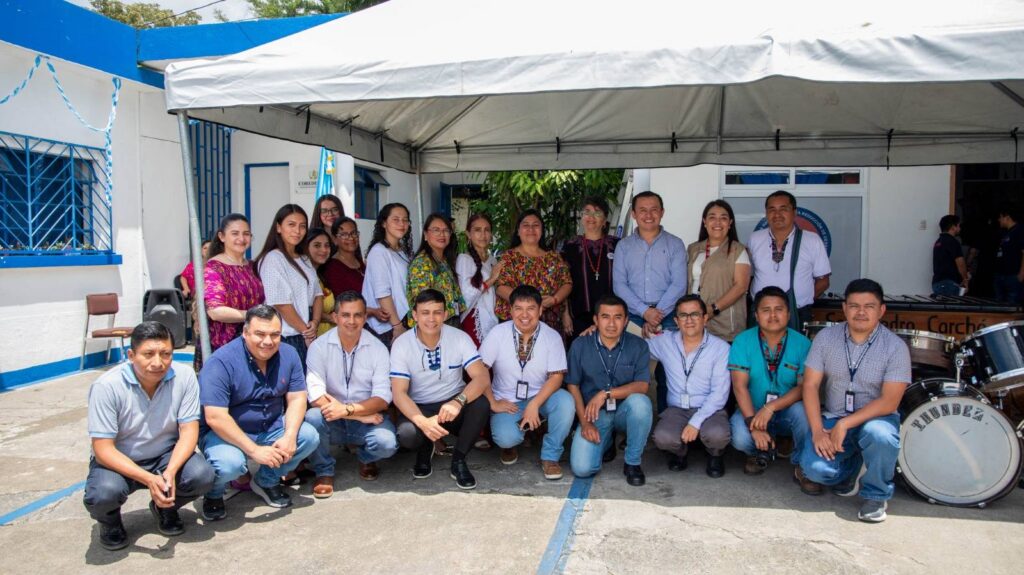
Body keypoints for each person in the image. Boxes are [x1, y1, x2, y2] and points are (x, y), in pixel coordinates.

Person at [83, 322, 215, 551]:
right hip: (120, 459)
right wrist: (148, 478)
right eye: (148, 354)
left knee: (202, 475)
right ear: (131, 355)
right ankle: (110, 523)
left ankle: (165, 507)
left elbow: (189, 431)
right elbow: (103, 449)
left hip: (164, 456)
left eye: (166, 354)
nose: (158, 362)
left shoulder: (184, 376)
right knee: (103, 494)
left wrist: (170, 472)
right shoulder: (107, 386)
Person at [795, 279, 911, 523]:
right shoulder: (826, 338)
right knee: (816, 471)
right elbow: (810, 385)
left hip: (875, 418)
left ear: (881, 310)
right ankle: (854, 468)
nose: (861, 312)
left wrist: (845, 424)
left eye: (869, 306)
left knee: (880, 436)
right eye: (854, 305)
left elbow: (890, 401)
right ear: (844, 308)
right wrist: (817, 431)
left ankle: (875, 495)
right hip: (833, 416)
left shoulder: (895, 347)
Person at [198, 305, 320, 520]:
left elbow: (297, 397)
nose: (268, 341)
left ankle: (266, 481)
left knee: (308, 436)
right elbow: (215, 417)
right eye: (260, 334)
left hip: (271, 427)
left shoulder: (289, 354)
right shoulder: (220, 362)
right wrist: (254, 451)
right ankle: (214, 494)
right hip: (227, 434)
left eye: (275, 334)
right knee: (230, 465)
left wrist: (290, 436)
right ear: (245, 333)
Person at [391, 289, 492, 489]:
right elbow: (399, 393)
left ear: (445, 314)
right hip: (420, 406)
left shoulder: (459, 337)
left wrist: (458, 401)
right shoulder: (402, 344)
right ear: (414, 315)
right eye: (425, 312)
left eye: (437, 312)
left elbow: (481, 377)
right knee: (408, 434)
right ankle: (425, 447)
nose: (431, 318)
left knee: (481, 405)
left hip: (451, 403)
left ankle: (459, 459)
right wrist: (422, 422)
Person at [303, 291, 398, 497]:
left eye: (358, 315)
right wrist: (355, 414)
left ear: (365, 317)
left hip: (365, 419)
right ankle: (324, 470)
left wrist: (346, 410)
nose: (352, 321)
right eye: (346, 315)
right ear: (336, 317)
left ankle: (366, 459)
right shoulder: (319, 347)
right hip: (339, 418)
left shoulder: (378, 349)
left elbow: (382, 399)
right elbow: (316, 397)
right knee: (312, 418)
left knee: (387, 443)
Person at [480, 285, 574, 480]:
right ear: (511, 310)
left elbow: (557, 376)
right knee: (506, 438)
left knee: (565, 402)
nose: (524, 315)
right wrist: (492, 402)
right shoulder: (498, 333)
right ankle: (511, 445)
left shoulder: (551, 336)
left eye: (530, 308)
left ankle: (550, 456)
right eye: (518, 308)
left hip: (541, 397)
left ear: (540, 310)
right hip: (507, 400)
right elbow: (480, 371)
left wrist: (535, 404)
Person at [567, 294, 652, 486]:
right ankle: (606, 442)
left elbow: (642, 386)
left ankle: (632, 462)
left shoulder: (638, 345)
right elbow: (572, 385)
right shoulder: (580, 345)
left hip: (624, 411)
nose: (611, 323)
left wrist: (606, 394)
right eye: (605, 317)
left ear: (626, 320)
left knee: (641, 403)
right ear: (596, 320)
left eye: (618, 317)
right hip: (596, 415)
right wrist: (585, 423)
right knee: (582, 468)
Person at [728, 286, 812, 476]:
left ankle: (802, 464)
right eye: (766, 310)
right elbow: (739, 386)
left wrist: (771, 407)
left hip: (786, 410)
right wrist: (753, 424)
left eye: (779, 309)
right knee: (740, 437)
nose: (772, 315)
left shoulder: (803, 344)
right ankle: (757, 451)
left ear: (789, 314)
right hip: (753, 409)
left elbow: (804, 387)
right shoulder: (743, 341)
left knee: (804, 414)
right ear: (756, 315)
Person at [649, 295, 731, 478]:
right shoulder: (664, 342)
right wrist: (598, 330)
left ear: (705, 318)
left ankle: (715, 454)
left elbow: (720, 393)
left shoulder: (721, 348)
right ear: (676, 321)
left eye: (694, 314)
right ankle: (680, 453)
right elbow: (635, 347)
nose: (689, 320)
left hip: (710, 408)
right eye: (683, 315)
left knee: (718, 435)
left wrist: (695, 422)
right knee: (663, 437)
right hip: (677, 408)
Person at [748, 191, 831, 331]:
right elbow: (747, 276)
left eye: (783, 209)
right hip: (762, 314)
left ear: (795, 212)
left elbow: (823, 281)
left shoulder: (812, 240)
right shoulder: (754, 239)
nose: (777, 214)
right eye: (772, 209)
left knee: (796, 351)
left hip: (797, 313)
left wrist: (801, 300)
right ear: (766, 213)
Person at [194, 214, 265, 371]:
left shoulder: (252, 266)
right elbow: (215, 311)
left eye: (246, 234)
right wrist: (253, 315)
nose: (241, 238)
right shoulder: (214, 268)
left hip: (254, 342)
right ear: (222, 236)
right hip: (224, 346)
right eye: (235, 233)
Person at [255, 204, 323, 366]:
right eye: (291, 225)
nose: (297, 231)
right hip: (286, 336)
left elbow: (318, 294)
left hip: (305, 333)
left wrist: (315, 322)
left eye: (302, 226)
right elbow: (281, 304)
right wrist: (306, 332)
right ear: (278, 227)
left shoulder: (304, 259)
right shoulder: (273, 259)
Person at [612, 191, 687, 338]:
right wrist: (645, 311)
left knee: (668, 359)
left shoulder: (676, 244)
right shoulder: (623, 246)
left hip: (668, 314)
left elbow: (679, 284)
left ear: (662, 212)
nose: (648, 215)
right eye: (642, 210)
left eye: (654, 210)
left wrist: (656, 314)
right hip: (633, 315)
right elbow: (619, 285)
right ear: (633, 214)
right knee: (634, 359)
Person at [494, 210, 572, 335]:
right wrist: (529, 305)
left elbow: (566, 283)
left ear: (542, 230)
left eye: (536, 225)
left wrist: (554, 299)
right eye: (526, 225)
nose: (531, 229)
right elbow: (501, 287)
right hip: (518, 321)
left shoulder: (554, 257)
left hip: (550, 322)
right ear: (518, 231)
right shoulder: (509, 257)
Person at [686, 200, 750, 342]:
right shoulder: (693, 249)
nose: (717, 222)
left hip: (725, 323)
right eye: (712, 217)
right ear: (704, 222)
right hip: (695, 320)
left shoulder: (738, 250)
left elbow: (741, 286)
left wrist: (713, 309)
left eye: (723, 218)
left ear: (730, 223)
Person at [561, 196, 620, 338]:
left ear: (605, 219)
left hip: (612, 317)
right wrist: (565, 314)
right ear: (581, 217)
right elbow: (562, 281)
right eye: (587, 212)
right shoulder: (570, 246)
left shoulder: (618, 245)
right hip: (578, 316)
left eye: (597, 213)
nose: (591, 217)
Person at [322, 216, 389, 325]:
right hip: (351, 325)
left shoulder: (360, 261)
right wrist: (372, 311)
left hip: (371, 323)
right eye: (344, 234)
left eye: (354, 233)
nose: (351, 238)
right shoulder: (332, 267)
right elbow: (344, 304)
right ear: (334, 239)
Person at [363, 203, 413, 347]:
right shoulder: (379, 252)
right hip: (388, 325)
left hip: (403, 319)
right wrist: (397, 325)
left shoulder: (401, 251)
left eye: (405, 220)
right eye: (396, 219)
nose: (401, 224)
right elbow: (382, 292)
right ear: (384, 223)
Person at [407, 213, 465, 326]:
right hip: (431, 326)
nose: (442, 234)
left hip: (449, 322)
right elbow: (423, 303)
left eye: (446, 230)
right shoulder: (421, 263)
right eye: (436, 230)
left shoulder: (444, 260)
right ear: (425, 235)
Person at [456, 213, 502, 346]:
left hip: (493, 318)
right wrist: (491, 279)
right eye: (477, 230)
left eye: (487, 230)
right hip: (474, 320)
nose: (483, 235)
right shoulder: (464, 259)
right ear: (468, 234)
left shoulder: (493, 260)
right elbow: (466, 295)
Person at [303, 228, 337, 336]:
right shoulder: (302, 276)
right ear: (306, 247)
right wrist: (331, 318)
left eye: (327, 245)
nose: (323, 250)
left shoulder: (321, 274)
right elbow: (305, 310)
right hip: (312, 336)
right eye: (317, 245)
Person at [932, 215, 969, 297]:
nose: (960, 228)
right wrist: (965, 279)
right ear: (953, 227)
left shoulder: (938, 242)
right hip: (949, 284)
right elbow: (961, 264)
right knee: (953, 308)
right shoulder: (953, 242)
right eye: (958, 225)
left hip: (937, 283)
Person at [994, 208, 1024, 303]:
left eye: (1000, 217)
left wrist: (1021, 273)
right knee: (999, 305)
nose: (999, 220)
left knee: (1012, 306)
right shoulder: (1006, 233)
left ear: (1007, 217)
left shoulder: (1019, 231)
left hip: (1013, 275)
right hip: (1002, 274)